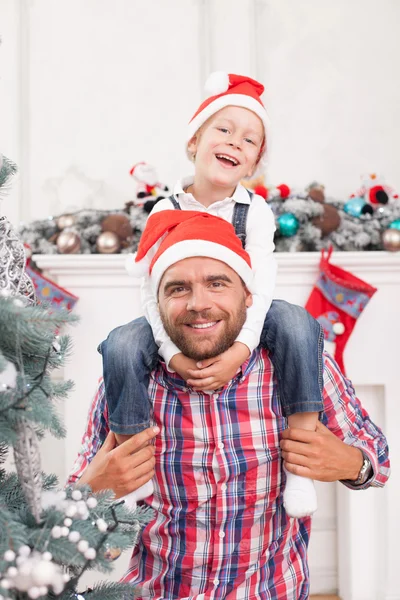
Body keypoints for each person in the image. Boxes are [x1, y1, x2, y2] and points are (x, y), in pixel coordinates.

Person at [69, 211, 390, 600]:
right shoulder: (129, 379)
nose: (198, 304)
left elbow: (379, 462)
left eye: (217, 284)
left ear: (249, 296)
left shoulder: (300, 367)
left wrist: (352, 464)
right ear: (156, 304)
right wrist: (93, 489)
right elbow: (67, 512)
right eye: (177, 289)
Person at [99, 72, 324, 518]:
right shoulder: (166, 210)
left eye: (249, 139)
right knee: (121, 344)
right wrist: (172, 355)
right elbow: (151, 291)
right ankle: (131, 467)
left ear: (255, 163)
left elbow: (260, 287)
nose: (234, 141)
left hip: (245, 312)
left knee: (299, 324)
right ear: (194, 142)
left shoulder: (255, 213)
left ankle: (301, 461)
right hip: (174, 317)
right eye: (223, 129)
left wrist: (242, 349)